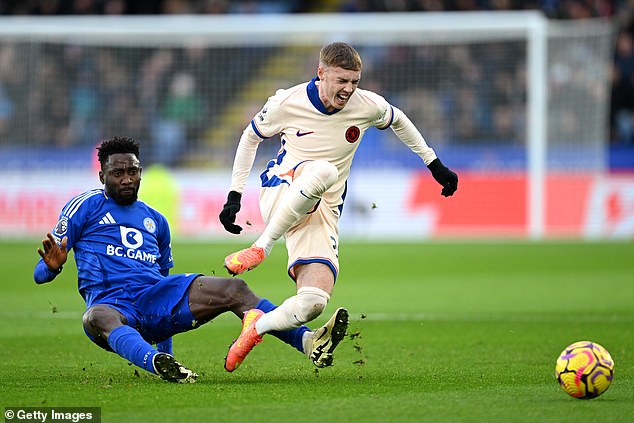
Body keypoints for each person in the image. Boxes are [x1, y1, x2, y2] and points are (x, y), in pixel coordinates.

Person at [219, 42, 458, 371]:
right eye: (341, 81)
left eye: (354, 82)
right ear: (321, 74)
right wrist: (235, 195)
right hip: (282, 192)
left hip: (323, 211)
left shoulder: (367, 105)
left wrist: (434, 164)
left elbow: (399, 120)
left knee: (313, 303)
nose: (348, 89)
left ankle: (256, 327)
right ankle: (261, 247)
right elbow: (250, 137)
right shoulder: (287, 101)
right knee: (325, 171)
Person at [33, 136, 348, 383]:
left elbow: (163, 283)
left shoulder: (155, 220)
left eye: (133, 171)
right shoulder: (85, 207)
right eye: (118, 173)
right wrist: (51, 266)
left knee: (235, 289)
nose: (127, 179)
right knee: (94, 318)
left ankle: (307, 342)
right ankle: (155, 365)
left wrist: (165, 346)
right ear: (102, 174)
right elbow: (39, 276)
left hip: (153, 299)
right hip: (111, 304)